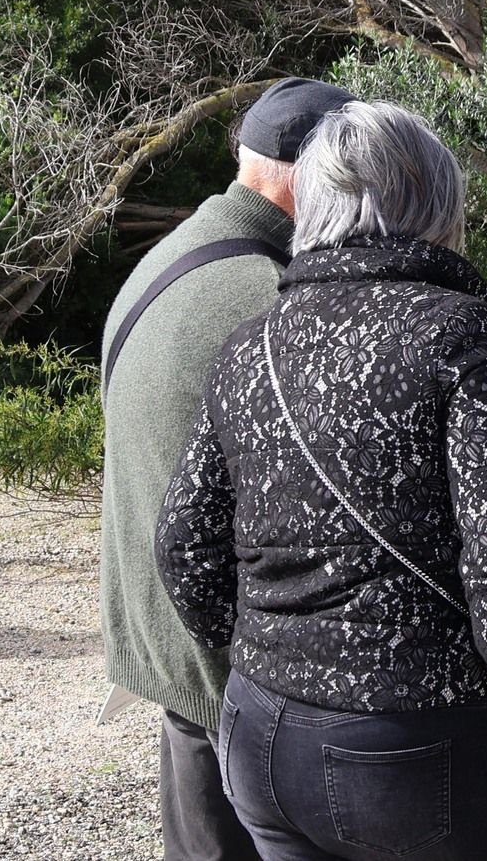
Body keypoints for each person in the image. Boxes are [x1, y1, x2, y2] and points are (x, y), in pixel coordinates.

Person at [155, 100, 487, 861]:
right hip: (419, 734)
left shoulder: (251, 343)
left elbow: (184, 544)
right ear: (438, 200)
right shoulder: (459, 332)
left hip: (264, 734)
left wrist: (262, 647)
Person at [100, 75, 351, 861]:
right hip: (240, 679)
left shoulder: (165, 258)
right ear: (318, 174)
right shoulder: (269, 296)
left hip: (170, 646)